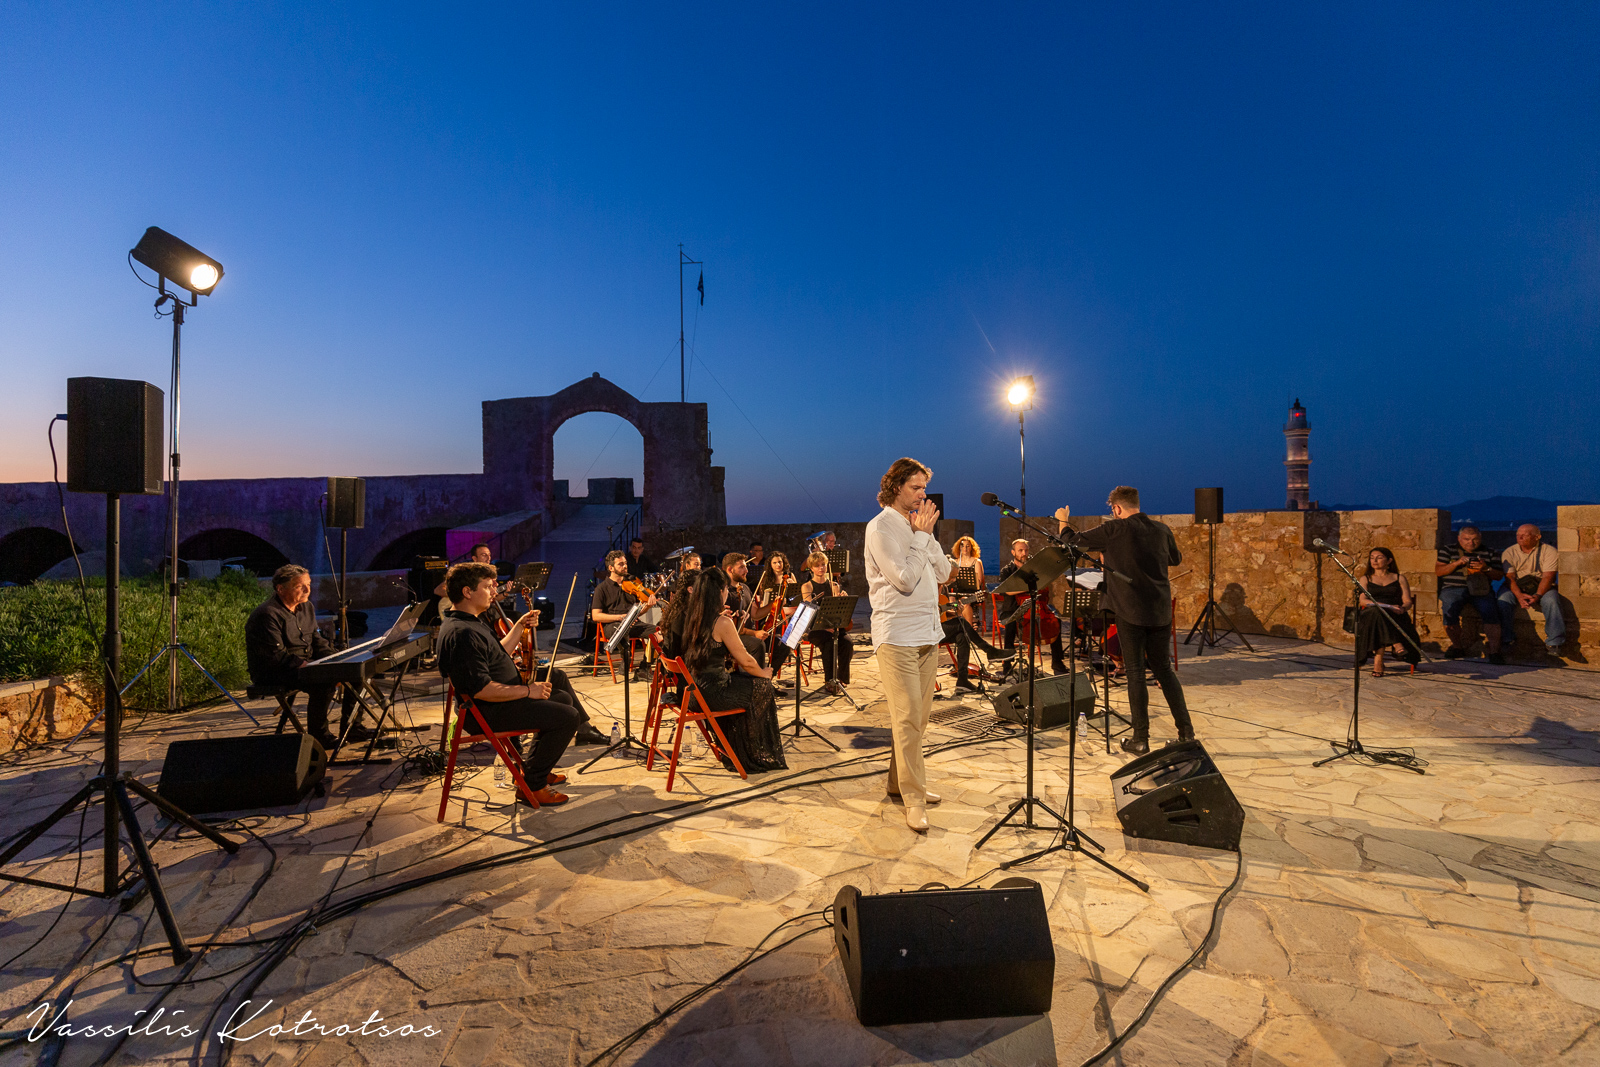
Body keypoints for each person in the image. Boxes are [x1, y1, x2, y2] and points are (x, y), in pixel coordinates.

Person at [1057, 487, 1194, 755]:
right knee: (1163, 670)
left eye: (1112, 510)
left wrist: (1063, 520)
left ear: (1117, 508)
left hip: (1131, 611)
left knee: (1134, 673)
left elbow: (1072, 541)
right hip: (1160, 611)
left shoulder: (1113, 530)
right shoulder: (1162, 530)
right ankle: (1186, 734)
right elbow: (1175, 559)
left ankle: (1141, 739)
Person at [437, 562, 581, 807]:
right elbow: (481, 689)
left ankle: (532, 770)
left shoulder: (472, 621)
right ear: (467, 592)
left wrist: (519, 627)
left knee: (562, 699)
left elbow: (498, 653)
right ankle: (532, 787)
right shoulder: (462, 633)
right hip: (485, 711)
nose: (494, 591)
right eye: (487, 586)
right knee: (568, 716)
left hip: (496, 702)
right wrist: (527, 690)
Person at [864, 456, 949, 833]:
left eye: (924, 488)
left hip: (928, 634)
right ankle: (914, 798)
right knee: (907, 716)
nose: (923, 494)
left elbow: (945, 572)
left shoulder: (919, 529)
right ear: (895, 487)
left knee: (919, 718)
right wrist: (920, 537)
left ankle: (899, 783)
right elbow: (903, 580)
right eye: (916, 487)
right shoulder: (881, 527)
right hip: (897, 635)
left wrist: (926, 536)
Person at [677, 566, 788, 774]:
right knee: (763, 688)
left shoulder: (692, 616)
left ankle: (736, 748)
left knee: (744, 682)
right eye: (726, 589)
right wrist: (764, 673)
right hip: (711, 693)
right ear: (719, 592)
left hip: (692, 691)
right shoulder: (722, 622)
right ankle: (753, 751)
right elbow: (746, 661)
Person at [246, 564, 365, 751]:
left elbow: (316, 641)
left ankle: (353, 728)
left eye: (308, 584)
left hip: (305, 665)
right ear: (280, 589)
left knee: (356, 672)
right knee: (323, 683)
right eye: (300, 586)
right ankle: (319, 736)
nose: (308, 590)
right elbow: (276, 656)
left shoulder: (306, 607)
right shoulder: (267, 614)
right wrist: (314, 668)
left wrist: (338, 661)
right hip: (275, 671)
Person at [996, 538, 1069, 676]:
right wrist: (1027, 587)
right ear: (1013, 552)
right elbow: (1007, 591)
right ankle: (1007, 663)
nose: (1024, 553)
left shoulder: (1035, 569)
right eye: (1020, 550)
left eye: (1026, 550)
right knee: (1010, 625)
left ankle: (1057, 662)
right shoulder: (1007, 570)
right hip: (1012, 609)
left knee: (1056, 621)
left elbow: (1045, 588)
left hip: (1036, 608)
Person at [1436, 526, 1505, 663]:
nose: (1471, 543)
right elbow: (1439, 571)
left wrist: (1486, 568)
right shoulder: (1448, 550)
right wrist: (1456, 563)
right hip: (1453, 588)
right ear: (1459, 539)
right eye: (1467, 539)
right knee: (1449, 610)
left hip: (1481, 590)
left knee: (1490, 611)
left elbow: (1498, 576)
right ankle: (1457, 647)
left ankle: (1494, 651)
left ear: (1480, 538)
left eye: (1475, 539)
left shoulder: (1490, 552)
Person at [1497, 524, 1565, 659]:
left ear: (1537, 537)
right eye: (1518, 535)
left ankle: (1555, 642)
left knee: (1551, 601)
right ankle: (1507, 639)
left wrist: (1538, 595)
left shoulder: (1549, 551)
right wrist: (1519, 596)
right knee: (1503, 601)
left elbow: (1548, 576)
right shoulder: (1509, 552)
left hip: (1541, 585)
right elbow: (1510, 577)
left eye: (1525, 534)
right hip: (1516, 585)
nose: (1520, 537)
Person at [591, 549, 657, 677]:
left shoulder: (631, 584)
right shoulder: (602, 589)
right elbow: (596, 616)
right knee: (622, 629)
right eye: (620, 564)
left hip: (632, 623)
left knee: (659, 633)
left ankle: (644, 668)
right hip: (613, 625)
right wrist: (620, 617)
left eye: (625, 563)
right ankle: (626, 660)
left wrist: (648, 606)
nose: (625, 566)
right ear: (611, 567)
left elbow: (638, 612)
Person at [1356, 548, 1422, 676]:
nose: (1374, 560)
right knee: (1377, 612)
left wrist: (1403, 608)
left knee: (1380, 616)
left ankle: (1378, 661)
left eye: (1379, 557)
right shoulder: (1366, 578)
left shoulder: (1399, 578)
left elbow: (1408, 601)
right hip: (1370, 614)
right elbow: (1363, 601)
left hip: (1395, 615)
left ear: (1389, 560)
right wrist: (1387, 606)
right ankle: (1396, 643)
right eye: (1372, 557)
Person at [800, 550, 852, 694]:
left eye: (823, 565)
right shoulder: (807, 586)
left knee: (847, 643)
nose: (821, 568)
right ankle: (830, 680)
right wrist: (824, 627)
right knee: (829, 644)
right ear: (811, 568)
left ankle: (841, 679)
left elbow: (839, 609)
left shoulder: (834, 585)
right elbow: (811, 611)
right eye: (817, 566)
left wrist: (843, 599)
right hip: (817, 628)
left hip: (834, 626)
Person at [751, 551, 799, 681]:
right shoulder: (766, 579)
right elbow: (763, 602)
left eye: (780, 562)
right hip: (771, 614)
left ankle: (781, 647)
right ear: (770, 565)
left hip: (787, 613)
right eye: (775, 563)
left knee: (787, 626)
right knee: (775, 632)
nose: (778, 565)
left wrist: (792, 586)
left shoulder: (790, 576)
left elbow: (796, 598)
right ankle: (778, 646)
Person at [720, 552, 770, 667]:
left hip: (747, 634)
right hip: (734, 637)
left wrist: (775, 604)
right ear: (730, 569)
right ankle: (757, 681)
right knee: (758, 644)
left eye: (746, 566)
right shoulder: (723, 592)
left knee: (780, 645)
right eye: (742, 567)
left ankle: (766, 677)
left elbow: (755, 614)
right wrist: (754, 633)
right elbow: (732, 628)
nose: (746, 570)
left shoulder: (744, 588)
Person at [949, 536, 985, 627]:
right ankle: (955, 628)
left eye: (967, 546)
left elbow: (979, 582)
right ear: (959, 548)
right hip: (958, 592)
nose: (965, 548)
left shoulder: (976, 562)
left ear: (972, 548)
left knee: (964, 601)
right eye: (962, 546)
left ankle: (968, 630)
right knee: (951, 601)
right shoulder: (955, 562)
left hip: (973, 594)